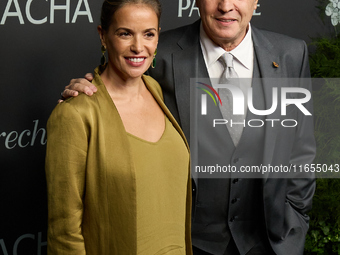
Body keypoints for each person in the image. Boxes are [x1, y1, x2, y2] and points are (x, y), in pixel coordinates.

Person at [61, 0, 316, 254]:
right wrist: (85, 91)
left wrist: (293, 222)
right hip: (186, 242)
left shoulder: (291, 54)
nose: (225, 6)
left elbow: (302, 147)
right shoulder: (157, 51)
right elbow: (117, 84)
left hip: (269, 242)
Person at [45, 0, 192, 254]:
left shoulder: (156, 90)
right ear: (103, 36)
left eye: (149, 34)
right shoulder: (75, 114)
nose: (138, 47)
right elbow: (64, 232)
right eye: (125, 33)